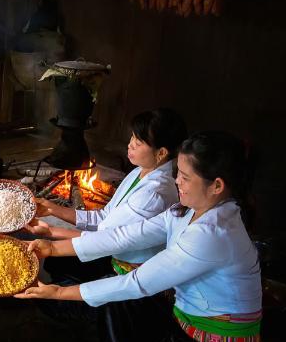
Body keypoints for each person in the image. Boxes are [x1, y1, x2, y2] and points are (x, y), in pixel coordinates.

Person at [16, 131, 262, 342]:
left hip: (216, 341)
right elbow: (125, 236)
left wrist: (58, 292)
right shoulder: (186, 209)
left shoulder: (214, 233)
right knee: (116, 308)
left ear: (217, 185)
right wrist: (52, 248)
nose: (176, 181)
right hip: (182, 314)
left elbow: (138, 282)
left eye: (184, 176)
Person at [28, 108, 187, 283]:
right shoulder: (139, 172)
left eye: (138, 142)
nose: (130, 144)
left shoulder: (154, 194)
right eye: (132, 137)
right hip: (110, 247)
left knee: (58, 282)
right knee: (55, 264)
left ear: (161, 153)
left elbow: (105, 238)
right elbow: (104, 217)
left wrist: (51, 232)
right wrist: (52, 208)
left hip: (126, 269)